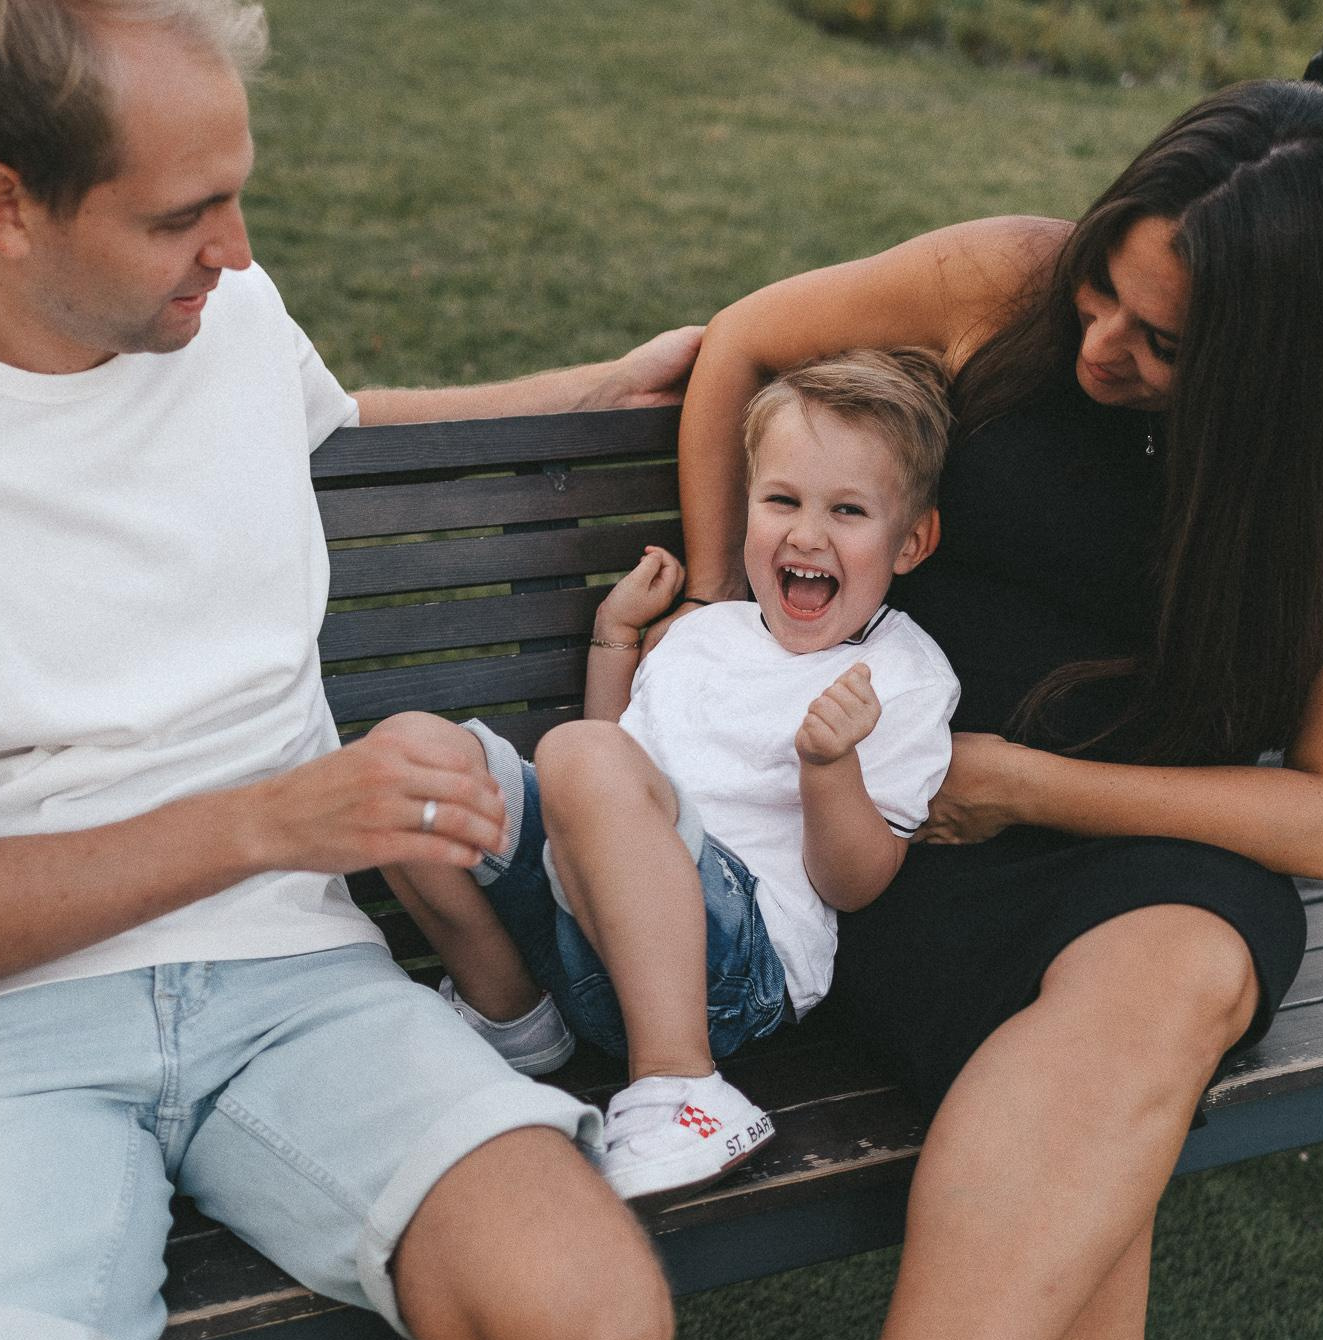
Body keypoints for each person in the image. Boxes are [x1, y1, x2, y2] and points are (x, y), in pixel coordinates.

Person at [0, 3, 703, 1340]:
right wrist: (262, 824)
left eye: (235, 191)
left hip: (297, 986)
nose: (236, 249)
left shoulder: (221, 318)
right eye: (182, 212)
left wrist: (586, 395)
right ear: (2, 204)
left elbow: (328, 423)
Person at [673, 80, 1323, 1340]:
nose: (1099, 345)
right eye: (1103, 288)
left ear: (1280, 368)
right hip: (885, 832)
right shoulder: (1002, 283)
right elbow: (739, 349)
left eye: (1162, 343)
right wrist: (742, 643)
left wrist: (1033, 788)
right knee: (1115, 1107)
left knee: (1164, 989)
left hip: (1126, 845)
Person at [382, 350, 962, 1201]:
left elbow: (856, 883)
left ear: (911, 540)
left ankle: (683, 1091)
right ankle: (512, 1016)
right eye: (782, 501)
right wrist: (616, 638)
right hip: (586, 929)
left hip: (730, 969)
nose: (807, 534)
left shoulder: (902, 677)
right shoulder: (706, 631)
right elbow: (618, 762)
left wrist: (828, 767)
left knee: (578, 755)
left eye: (847, 510)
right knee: (406, 757)